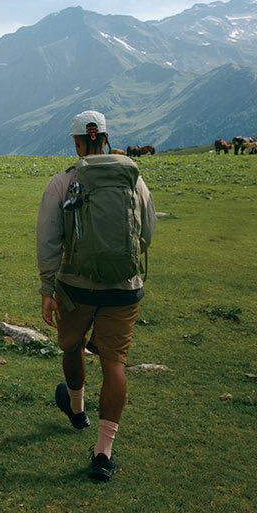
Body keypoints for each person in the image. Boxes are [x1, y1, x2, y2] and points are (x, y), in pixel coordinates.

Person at [36, 110, 155, 481]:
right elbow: (148, 231)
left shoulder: (62, 182)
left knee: (72, 347)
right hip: (124, 288)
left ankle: (77, 409)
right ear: (105, 137)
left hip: (76, 287)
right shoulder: (134, 179)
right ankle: (103, 452)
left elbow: (48, 240)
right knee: (114, 364)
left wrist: (47, 288)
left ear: (77, 142)